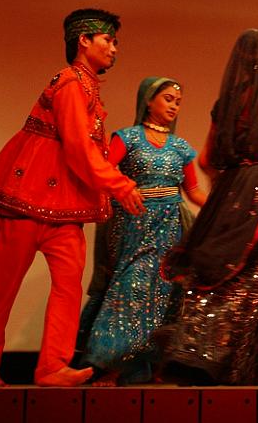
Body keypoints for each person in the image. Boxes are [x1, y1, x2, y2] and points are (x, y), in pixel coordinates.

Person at [0, 8, 145, 388]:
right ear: (84, 40)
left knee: (67, 285)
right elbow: (78, 149)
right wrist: (119, 185)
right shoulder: (68, 84)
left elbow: (87, 151)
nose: (114, 49)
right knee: (3, 288)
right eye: (108, 40)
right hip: (26, 199)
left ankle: (52, 367)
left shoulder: (90, 91)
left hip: (64, 208)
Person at [156, 28, 258, 385]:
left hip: (231, 188)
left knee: (229, 274)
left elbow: (205, 159)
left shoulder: (229, 101)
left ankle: (201, 352)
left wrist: (231, 189)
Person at [76, 77, 207, 386]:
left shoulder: (181, 147)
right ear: (149, 100)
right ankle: (110, 365)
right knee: (129, 290)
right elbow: (105, 172)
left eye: (177, 101)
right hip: (134, 224)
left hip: (171, 229)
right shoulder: (128, 138)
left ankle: (156, 367)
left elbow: (194, 192)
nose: (174, 105)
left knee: (166, 295)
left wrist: (224, 205)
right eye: (168, 99)